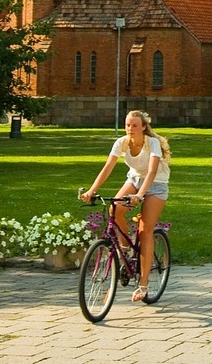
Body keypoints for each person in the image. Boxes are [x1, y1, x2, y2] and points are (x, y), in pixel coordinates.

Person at [81, 110, 171, 303]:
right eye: (128, 125)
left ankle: (144, 284)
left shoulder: (151, 143)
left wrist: (139, 195)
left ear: (143, 127)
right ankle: (125, 249)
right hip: (135, 179)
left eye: (135, 125)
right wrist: (91, 190)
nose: (130, 129)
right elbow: (108, 167)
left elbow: (153, 171)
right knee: (115, 209)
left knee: (145, 230)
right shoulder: (121, 142)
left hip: (156, 184)